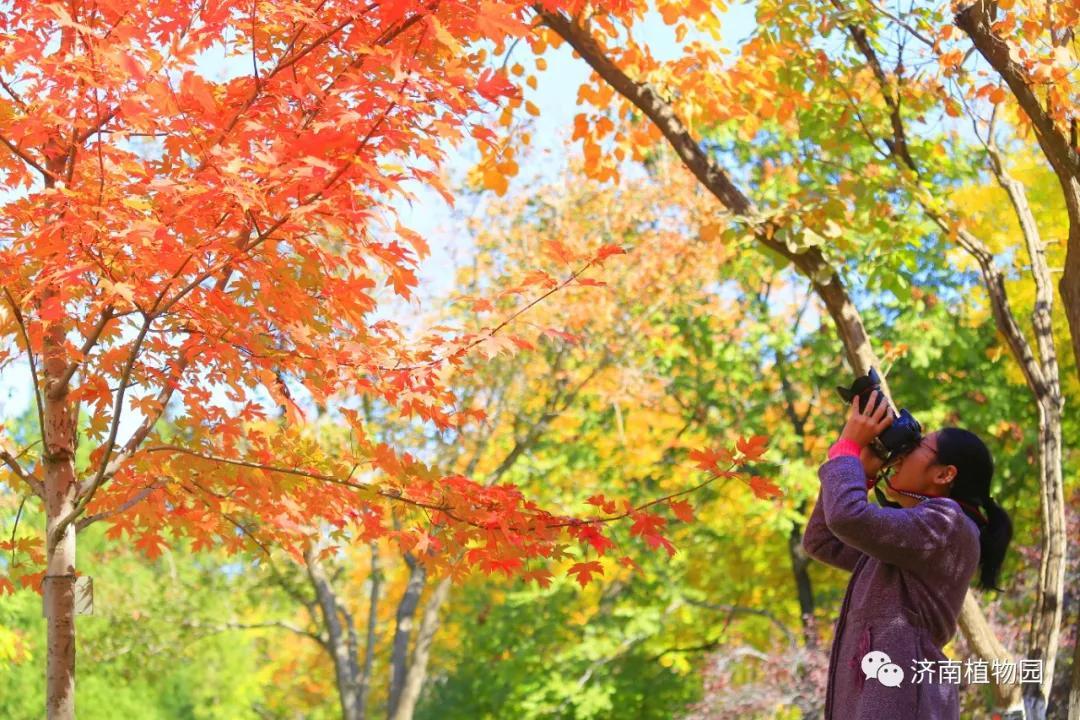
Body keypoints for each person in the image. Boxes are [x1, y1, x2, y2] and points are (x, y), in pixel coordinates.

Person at [802, 389, 1013, 719]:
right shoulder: (907, 540)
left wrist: (847, 448)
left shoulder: (949, 524)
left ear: (945, 474)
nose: (903, 452)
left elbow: (847, 516)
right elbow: (822, 540)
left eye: (919, 446)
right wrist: (863, 472)